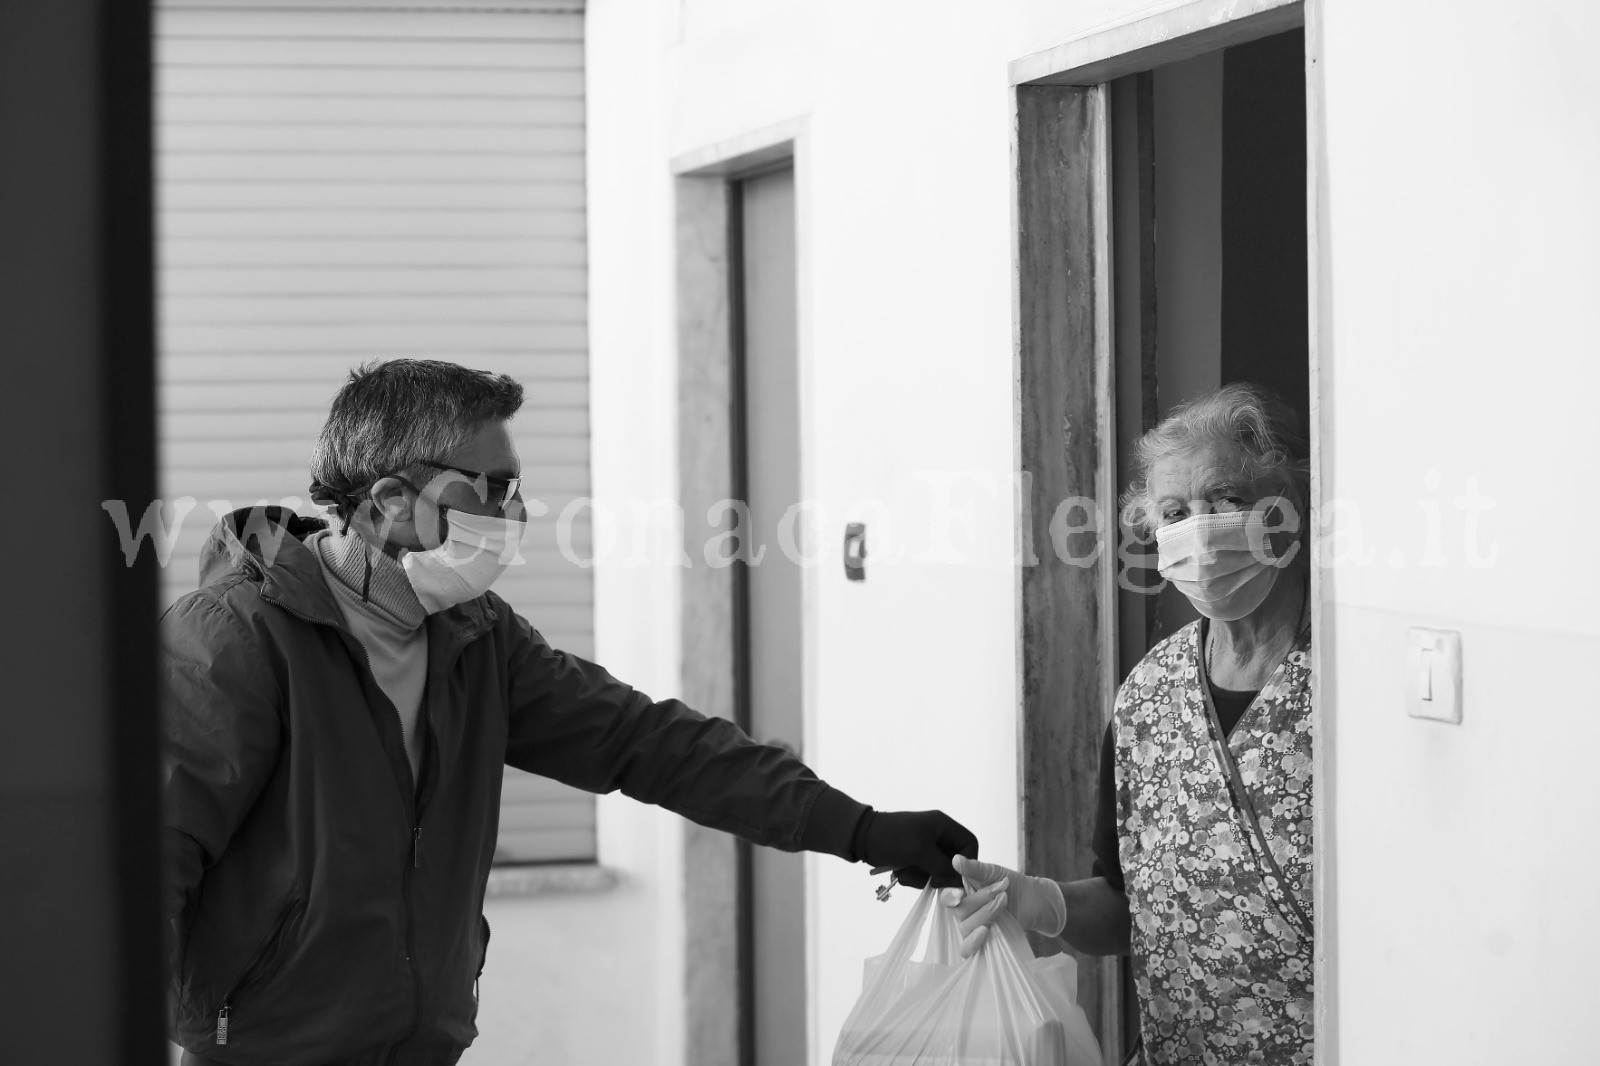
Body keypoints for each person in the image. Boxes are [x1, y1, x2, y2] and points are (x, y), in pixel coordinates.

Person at [162, 359, 978, 1066]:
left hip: (418, 1048)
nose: (511, 514)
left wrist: (859, 828)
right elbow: (145, 865)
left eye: (513, 488)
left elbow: (646, 743)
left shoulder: (476, 639)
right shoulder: (238, 640)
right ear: (385, 500)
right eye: (484, 489)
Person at [946, 383, 1313, 1066]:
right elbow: (1126, 909)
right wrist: (1037, 903)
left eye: (1226, 501)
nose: (1199, 531)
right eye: (1175, 512)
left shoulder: (1348, 690)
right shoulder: (1149, 694)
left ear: (1284, 510)